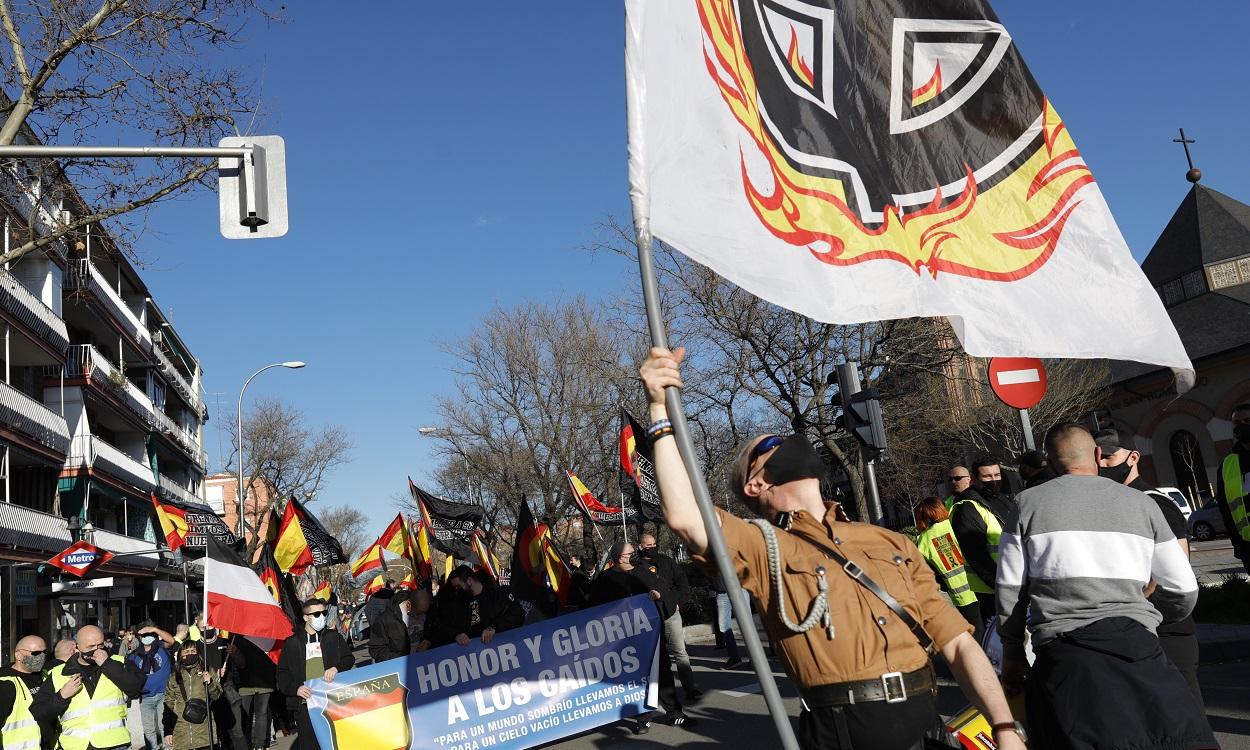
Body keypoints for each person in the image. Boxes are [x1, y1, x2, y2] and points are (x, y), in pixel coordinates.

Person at [640, 347, 1025, 750]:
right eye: (773, 442)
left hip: (928, 723)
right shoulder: (762, 545)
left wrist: (1004, 726)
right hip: (844, 732)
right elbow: (686, 515)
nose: (788, 442)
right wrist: (658, 411)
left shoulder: (888, 540)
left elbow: (958, 642)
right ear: (757, 485)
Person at [997, 423, 1213, 749]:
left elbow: (1010, 589)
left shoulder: (1027, 504)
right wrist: (1149, 618)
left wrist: (1013, 653)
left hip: (1065, 658)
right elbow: (1183, 589)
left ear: (1051, 463)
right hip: (1140, 650)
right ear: (1098, 455)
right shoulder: (1142, 504)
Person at [1094, 428, 1204, 708]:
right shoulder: (1112, 503)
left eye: (1108, 456)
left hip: (1167, 629)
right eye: (1097, 457)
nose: (1102, 464)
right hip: (1135, 627)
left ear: (1133, 457)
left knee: (1186, 718)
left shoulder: (1154, 502)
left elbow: (1177, 571)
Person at [590, 541, 694, 733]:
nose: (635, 555)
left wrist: (659, 594)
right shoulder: (605, 579)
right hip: (624, 638)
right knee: (635, 678)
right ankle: (642, 718)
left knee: (662, 671)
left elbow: (665, 591)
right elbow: (595, 609)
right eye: (631, 553)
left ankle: (674, 714)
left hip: (652, 634)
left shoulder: (644, 572)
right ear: (619, 557)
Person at [30, 625, 145, 750]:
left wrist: (107, 665)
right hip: (74, 745)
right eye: (90, 647)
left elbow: (136, 688)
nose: (96, 650)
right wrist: (61, 696)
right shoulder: (58, 673)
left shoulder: (119, 662)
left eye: (100, 645)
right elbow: (39, 712)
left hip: (113, 744)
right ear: (77, 647)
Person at [276, 599, 354, 750]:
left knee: (335, 743)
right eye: (317, 614)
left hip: (332, 701)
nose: (322, 617)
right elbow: (282, 674)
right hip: (305, 705)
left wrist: (336, 668)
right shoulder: (292, 643)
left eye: (324, 613)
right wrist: (296, 689)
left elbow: (348, 658)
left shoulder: (333, 637)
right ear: (306, 617)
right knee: (310, 745)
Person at [951, 455, 1015, 630]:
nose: (993, 480)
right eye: (987, 477)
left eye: (996, 475)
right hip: (993, 591)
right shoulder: (967, 508)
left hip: (1015, 584)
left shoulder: (1003, 500)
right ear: (974, 479)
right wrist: (1001, 585)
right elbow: (977, 556)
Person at [637, 532, 702, 702]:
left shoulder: (666, 561)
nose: (652, 548)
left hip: (670, 614)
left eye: (654, 544)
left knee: (680, 652)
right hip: (649, 619)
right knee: (658, 658)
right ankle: (663, 695)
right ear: (640, 546)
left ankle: (691, 688)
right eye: (648, 545)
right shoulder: (635, 566)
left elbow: (682, 581)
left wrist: (678, 602)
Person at [913, 497, 983, 642]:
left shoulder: (923, 540)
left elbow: (930, 573)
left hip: (961, 595)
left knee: (977, 635)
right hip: (981, 584)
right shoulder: (954, 525)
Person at [433, 567, 525, 646]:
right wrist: (457, 634)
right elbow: (445, 624)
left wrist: (494, 628)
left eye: (458, 586)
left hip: (502, 648)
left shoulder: (496, 595)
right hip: (474, 655)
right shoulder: (458, 603)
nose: (456, 590)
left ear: (469, 581)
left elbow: (517, 614)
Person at [162, 640, 221, 750]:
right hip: (181, 734)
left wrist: (210, 683)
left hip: (204, 733)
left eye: (193, 651)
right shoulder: (174, 675)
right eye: (186, 651)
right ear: (180, 655)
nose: (190, 654)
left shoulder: (207, 670)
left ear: (198, 653)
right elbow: (168, 704)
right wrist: (168, 730)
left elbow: (217, 696)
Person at [1215, 402, 1250, 575]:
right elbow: (1226, 510)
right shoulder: (1227, 465)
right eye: (1237, 423)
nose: (1242, 426)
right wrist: (1238, 545)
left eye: (1247, 420)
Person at [127, 621, 172, 750]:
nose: (148, 637)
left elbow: (172, 641)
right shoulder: (134, 655)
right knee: (149, 729)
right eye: (145, 634)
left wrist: (154, 629)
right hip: (145, 697)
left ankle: (167, 748)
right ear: (140, 636)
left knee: (164, 726)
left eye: (150, 634)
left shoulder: (161, 647)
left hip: (163, 694)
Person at [0, 635, 50, 750]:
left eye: (44, 652)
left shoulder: (45, 675)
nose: (41, 657)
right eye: (36, 653)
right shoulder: (5, 683)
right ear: (18, 655)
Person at [202, 625, 247, 750]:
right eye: (202, 627)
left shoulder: (225, 642)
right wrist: (213, 675)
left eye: (209, 626)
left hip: (228, 691)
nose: (206, 629)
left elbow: (242, 664)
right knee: (220, 733)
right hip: (210, 693)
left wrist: (236, 653)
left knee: (237, 731)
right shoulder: (196, 647)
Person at [233, 635, 277, 750]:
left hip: (261, 680)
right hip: (249, 681)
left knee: (258, 713)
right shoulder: (239, 637)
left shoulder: (240, 637)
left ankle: (258, 745)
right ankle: (253, 744)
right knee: (248, 715)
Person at [708, 573, 747, 669]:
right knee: (724, 626)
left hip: (739, 589)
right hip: (722, 593)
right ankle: (734, 658)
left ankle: (756, 659)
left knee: (747, 624)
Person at [368, 589, 413, 663]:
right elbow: (376, 649)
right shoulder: (383, 620)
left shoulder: (415, 615)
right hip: (398, 666)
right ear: (408, 604)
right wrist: (399, 659)